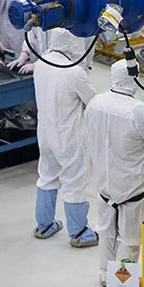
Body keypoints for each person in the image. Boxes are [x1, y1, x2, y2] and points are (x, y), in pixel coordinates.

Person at [87, 59, 144, 284]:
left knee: (106, 234)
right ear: (134, 77)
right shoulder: (140, 112)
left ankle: (105, 277)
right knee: (129, 241)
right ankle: (121, 283)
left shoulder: (95, 103)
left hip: (104, 185)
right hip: (131, 190)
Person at [32, 30, 98, 247]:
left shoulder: (41, 64)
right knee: (74, 182)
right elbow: (93, 102)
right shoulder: (73, 72)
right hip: (69, 137)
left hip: (45, 133)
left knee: (47, 175)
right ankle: (79, 232)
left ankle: (44, 225)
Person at [9, 0, 53, 75]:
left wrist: (37, 65)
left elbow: (58, 51)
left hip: (61, 71)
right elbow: (32, 39)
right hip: (44, 69)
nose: (30, 1)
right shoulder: (37, 12)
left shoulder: (58, 15)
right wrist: (23, 55)